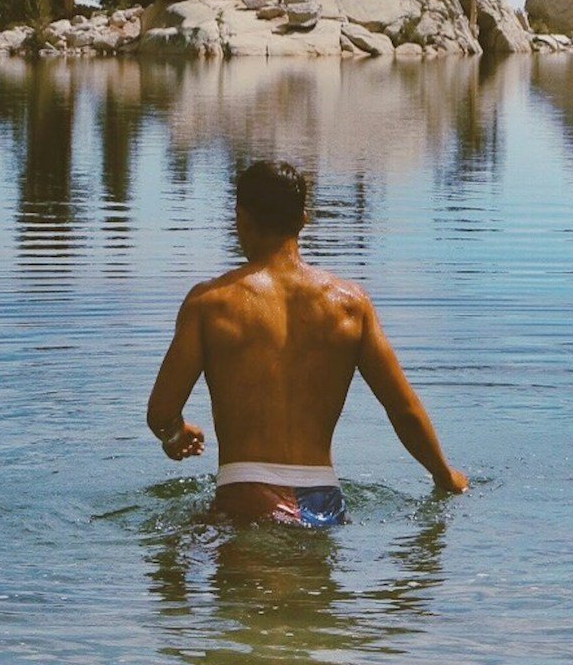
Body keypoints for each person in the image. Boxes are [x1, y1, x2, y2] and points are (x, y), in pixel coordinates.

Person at [146, 159, 469, 526]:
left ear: (241, 218)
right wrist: (445, 476)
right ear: (304, 219)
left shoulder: (210, 304)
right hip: (324, 501)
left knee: (185, 556)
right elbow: (403, 410)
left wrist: (175, 435)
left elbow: (160, 412)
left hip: (245, 497)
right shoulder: (351, 304)